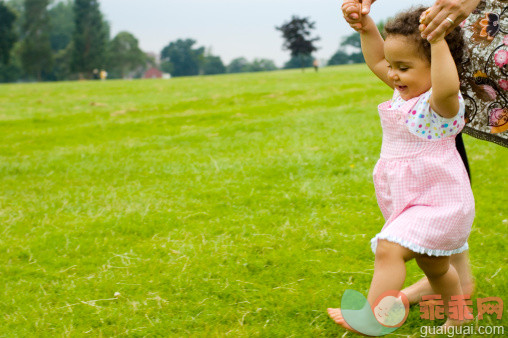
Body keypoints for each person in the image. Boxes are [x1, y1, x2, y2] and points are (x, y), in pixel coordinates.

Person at [327, 5, 475, 332]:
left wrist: (438, 42)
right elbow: (378, 60)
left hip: (441, 204)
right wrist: (366, 27)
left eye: (404, 67)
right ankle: (459, 315)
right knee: (435, 268)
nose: (393, 74)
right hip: (413, 201)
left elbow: (448, 86)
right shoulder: (402, 92)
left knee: (388, 248)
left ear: (438, 64)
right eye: (393, 66)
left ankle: (371, 317)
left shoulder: (441, 104)